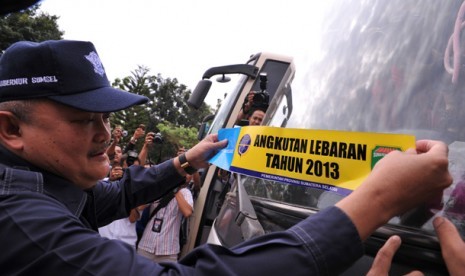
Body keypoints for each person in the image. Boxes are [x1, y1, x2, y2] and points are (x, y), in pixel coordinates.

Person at [0, 39, 453, 275]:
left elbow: (111, 198)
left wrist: (185, 162)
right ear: (11, 129)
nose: (104, 133)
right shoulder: (19, 220)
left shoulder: (47, 184)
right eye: (84, 119)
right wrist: (376, 201)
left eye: (106, 116)